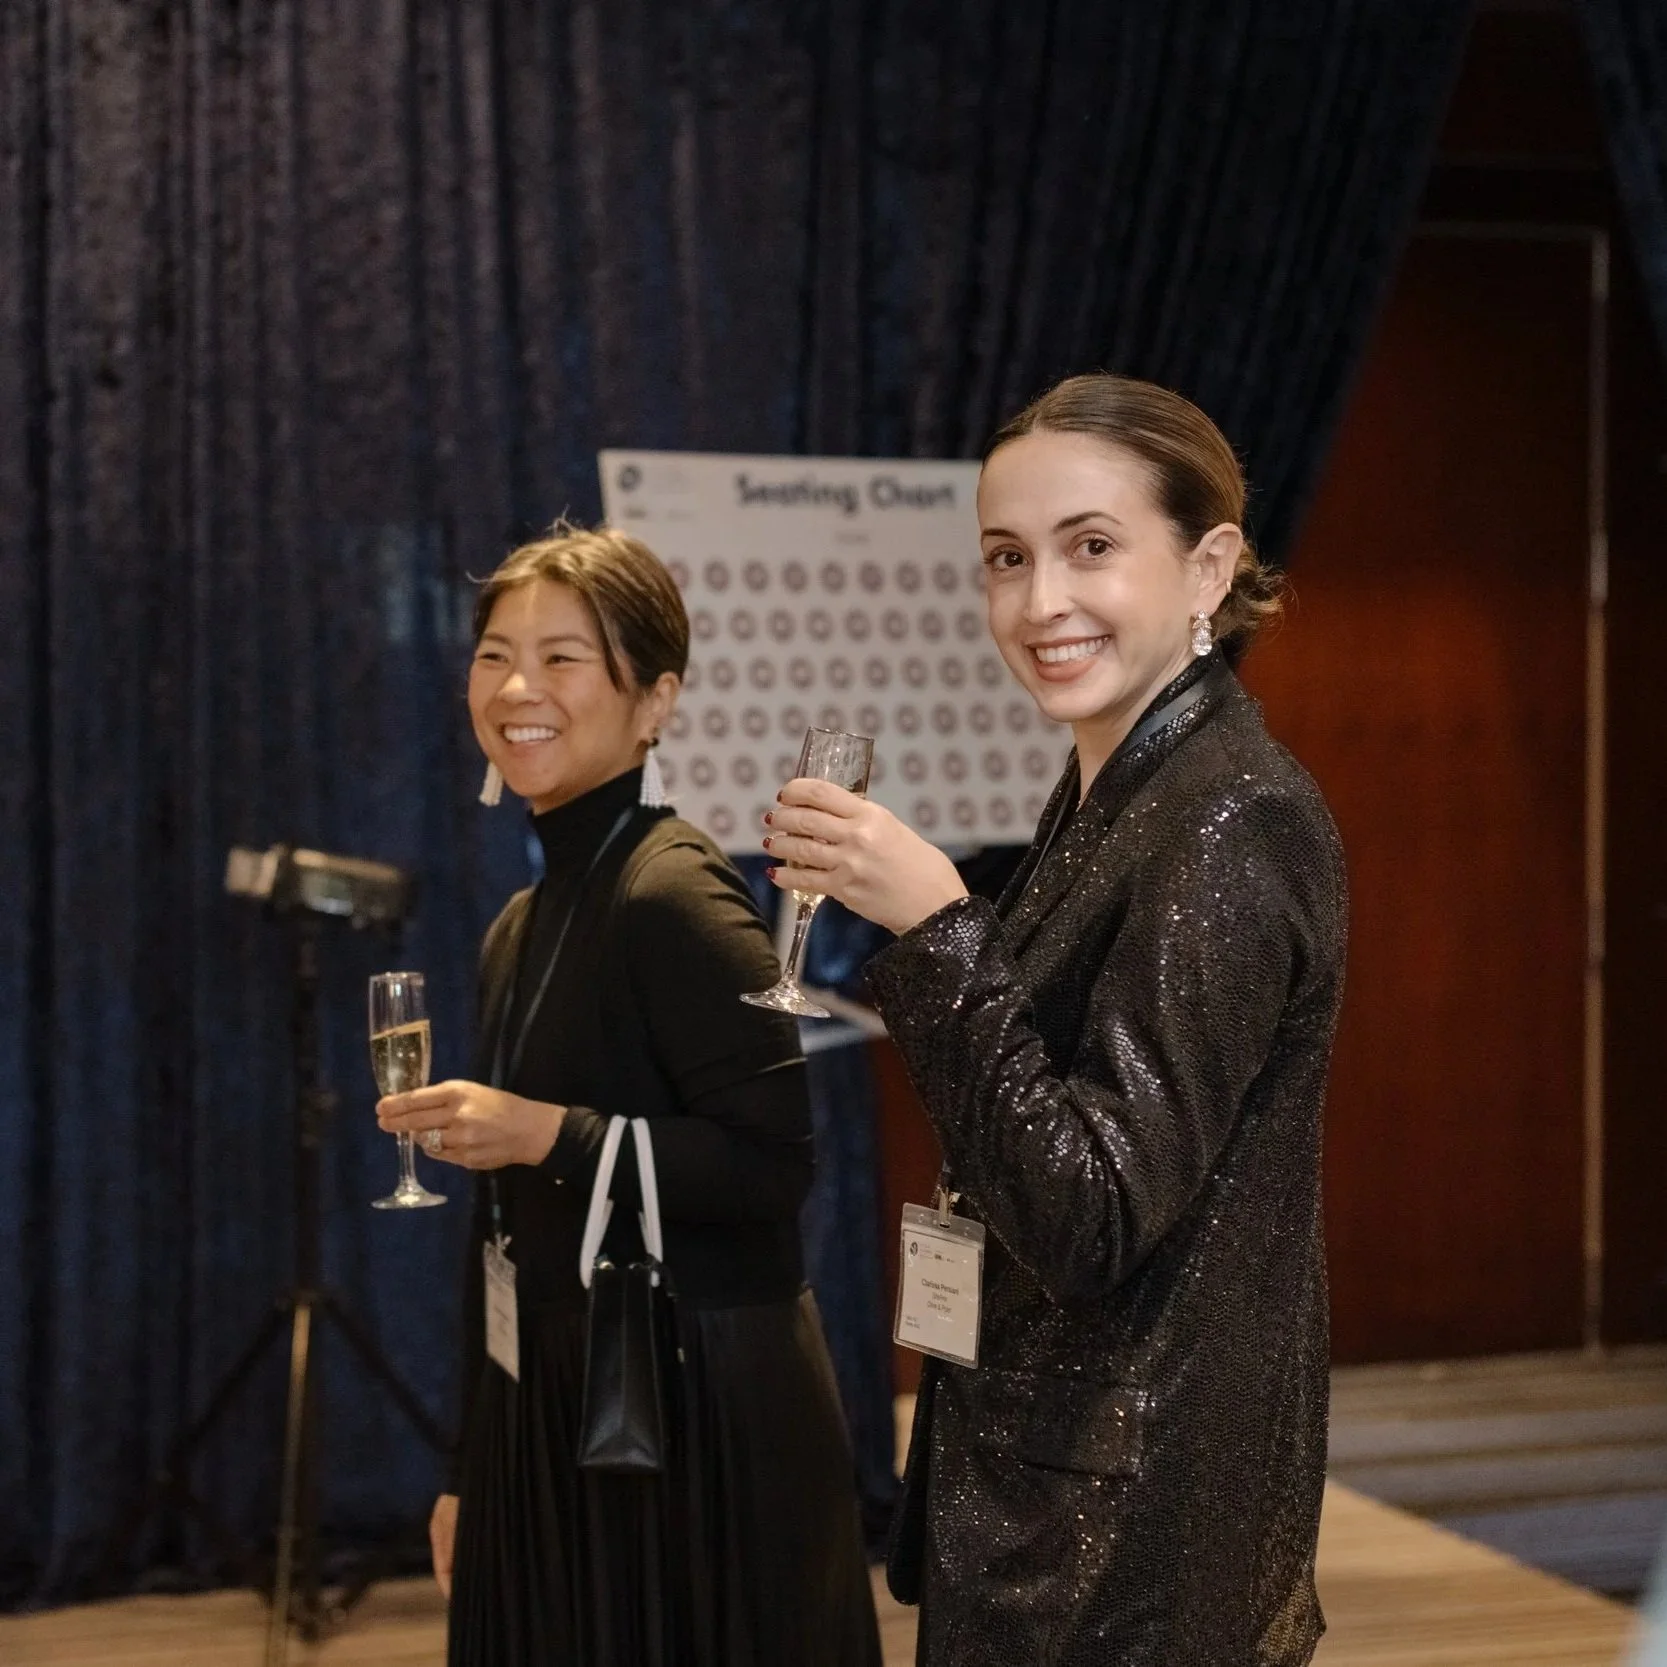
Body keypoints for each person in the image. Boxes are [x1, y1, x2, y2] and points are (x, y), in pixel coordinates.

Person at [764, 373, 1347, 1665]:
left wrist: (933, 925)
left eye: (1090, 547)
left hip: (1131, 1519)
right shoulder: (1119, 785)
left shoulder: (1226, 818)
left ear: (1207, 565)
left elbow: (1089, 1215)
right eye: (1004, 558)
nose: (1038, 602)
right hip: (1066, 1474)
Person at [377, 524, 881, 1667]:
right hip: (548, 1399)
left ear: (653, 700)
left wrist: (546, 1132)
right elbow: (503, 1222)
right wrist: (470, 1466)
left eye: (563, 657)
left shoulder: (674, 892)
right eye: (495, 653)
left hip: (688, 1403)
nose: (516, 687)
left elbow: (771, 1166)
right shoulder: (522, 920)